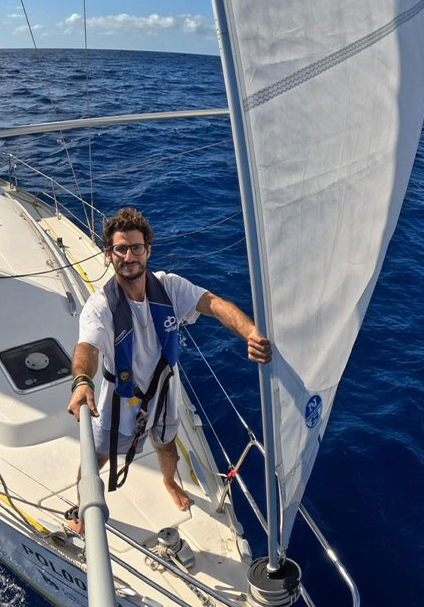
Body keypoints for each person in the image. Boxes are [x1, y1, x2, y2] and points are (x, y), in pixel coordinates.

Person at [65, 207, 271, 533]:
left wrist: (250, 332)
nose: (129, 255)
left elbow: (214, 304)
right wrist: (81, 382)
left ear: (148, 250)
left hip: (163, 395)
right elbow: (86, 349)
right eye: (121, 248)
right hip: (119, 403)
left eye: (136, 247)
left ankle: (169, 482)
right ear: (109, 254)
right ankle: (81, 506)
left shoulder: (170, 287)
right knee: (97, 459)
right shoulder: (101, 307)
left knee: (166, 445)